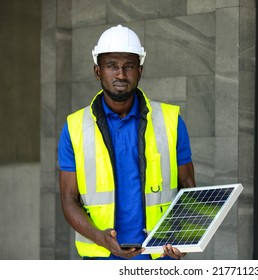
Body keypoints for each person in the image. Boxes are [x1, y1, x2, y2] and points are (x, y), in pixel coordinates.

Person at [58, 24, 196, 260]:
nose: (121, 74)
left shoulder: (170, 121)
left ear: (139, 71)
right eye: (112, 66)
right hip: (100, 258)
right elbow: (68, 199)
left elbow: (188, 187)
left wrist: (183, 237)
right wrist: (100, 238)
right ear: (97, 71)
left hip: (158, 258)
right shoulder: (74, 127)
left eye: (128, 66)